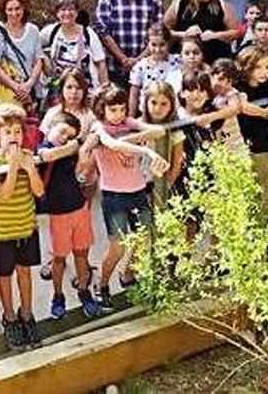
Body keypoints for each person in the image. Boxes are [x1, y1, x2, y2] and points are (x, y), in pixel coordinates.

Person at [83, 85, 167, 308]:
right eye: (113, 110)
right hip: (114, 195)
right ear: (102, 109)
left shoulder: (128, 123)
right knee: (118, 246)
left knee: (144, 237)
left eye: (121, 109)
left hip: (137, 190)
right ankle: (101, 284)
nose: (119, 114)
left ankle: (128, 274)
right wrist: (146, 149)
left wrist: (138, 134)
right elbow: (113, 144)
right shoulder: (98, 128)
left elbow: (158, 131)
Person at [0, 103, 44, 350]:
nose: (14, 137)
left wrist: (29, 170)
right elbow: (4, 194)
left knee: (25, 272)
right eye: (8, 132)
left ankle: (27, 313)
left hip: (26, 226)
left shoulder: (28, 157)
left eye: (17, 132)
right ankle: (9, 316)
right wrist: (14, 167)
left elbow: (39, 191)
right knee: (5, 275)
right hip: (4, 230)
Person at [37, 112, 100, 319]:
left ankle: (84, 290)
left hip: (79, 208)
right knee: (59, 258)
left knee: (82, 254)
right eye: (62, 131)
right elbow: (47, 156)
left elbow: (88, 142)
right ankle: (57, 295)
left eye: (69, 135)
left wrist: (77, 146)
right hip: (58, 214)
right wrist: (71, 146)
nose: (65, 137)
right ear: (51, 127)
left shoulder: (73, 147)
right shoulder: (43, 148)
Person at [95, 0, 165, 87]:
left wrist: (138, 60)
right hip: (114, 69)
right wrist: (123, 59)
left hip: (146, 70)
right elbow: (103, 31)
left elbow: (159, 33)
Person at [236, 47, 268, 221]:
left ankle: (260, 237)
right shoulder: (239, 88)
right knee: (253, 198)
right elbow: (244, 106)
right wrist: (266, 112)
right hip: (253, 149)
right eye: (258, 67)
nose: (264, 72)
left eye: (267, 67)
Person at [40, 0, 108, 101]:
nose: (67, 13)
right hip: (58, 89)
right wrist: (43, 58)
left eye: (71, 9)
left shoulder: (88, 33)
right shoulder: (51, 31)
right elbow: (34, 46)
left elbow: (101, 63)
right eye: (63, 10)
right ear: (57, 13)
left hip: (85, 90)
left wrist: (104, 91)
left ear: (76, 12)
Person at [164, 0, 239, 65]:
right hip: (185, 61)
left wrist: (215, 35)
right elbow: (164, 31)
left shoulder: (221, 5)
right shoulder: (179, 4)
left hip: (214, 60)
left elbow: (235, 32)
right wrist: (184, 34)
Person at [129, 23, 180, 116]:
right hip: (148, 115)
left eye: (162, 45)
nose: (157, 49)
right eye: (153, 45)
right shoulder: (141, 66)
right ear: (147, 44)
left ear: (168, 43)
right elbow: (134, 95)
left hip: (172, 115)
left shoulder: (177, 62)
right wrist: (131, 117)